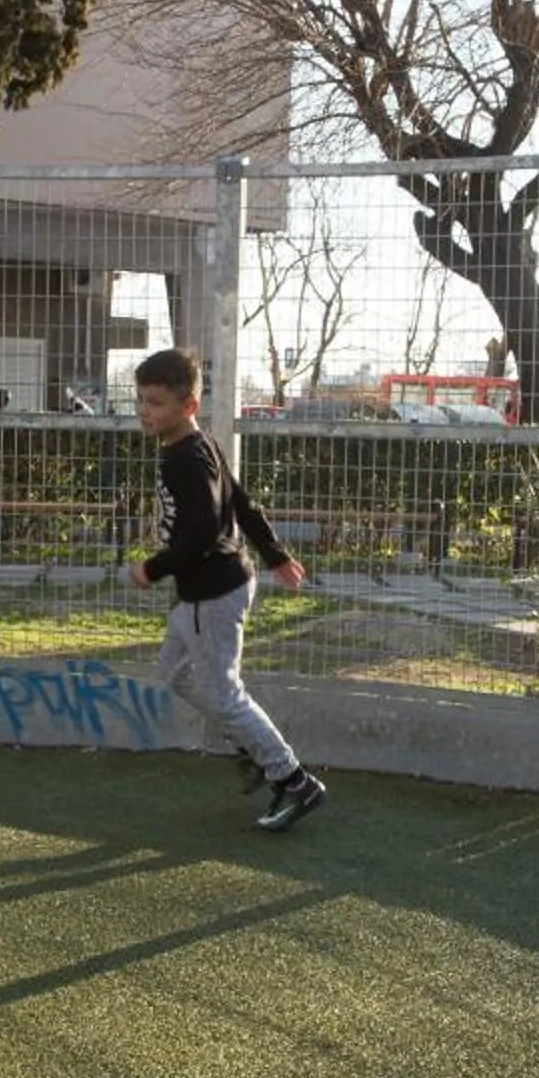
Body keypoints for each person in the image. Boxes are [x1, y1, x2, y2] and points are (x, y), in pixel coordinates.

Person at [129, 347, 326, 831]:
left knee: (224, 694)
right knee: (175, 672)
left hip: (213, 594)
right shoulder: (199, 445)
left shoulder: (187, 460)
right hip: (210, 589)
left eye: (155, 403)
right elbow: (243, 504)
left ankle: (293, 779)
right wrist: (276, 555)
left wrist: (151, 569)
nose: (144, 411)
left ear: (188, 406)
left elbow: (202, 537)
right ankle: (253, 747)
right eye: (141, 401)